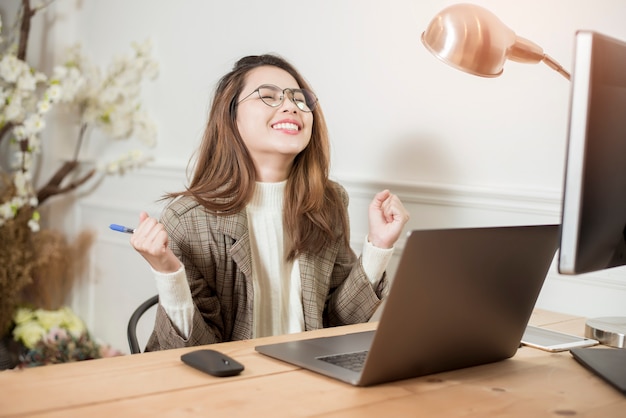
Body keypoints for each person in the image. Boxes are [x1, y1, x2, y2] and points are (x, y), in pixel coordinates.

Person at [130, 54, 410, 351]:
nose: (291, 105)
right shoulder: (188, 219)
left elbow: (337, 323)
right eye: (268, 96)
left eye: (300, 99)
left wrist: (379, 246)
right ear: (231, 116)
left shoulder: (327, 202)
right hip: (227, 385)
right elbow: (196, 352)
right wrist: (167, 272)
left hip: (307, 379)